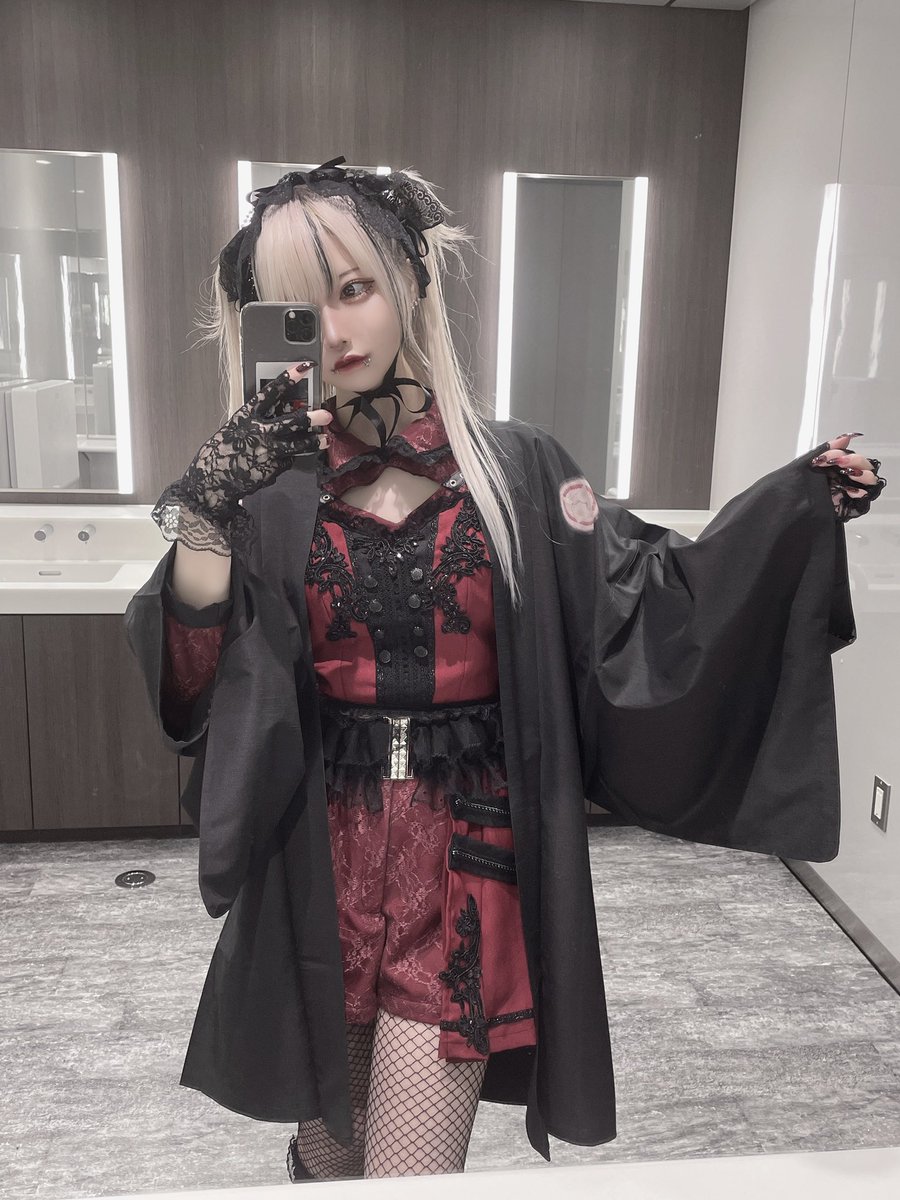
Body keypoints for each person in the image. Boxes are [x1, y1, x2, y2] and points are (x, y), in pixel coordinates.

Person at [124, 157, 886, 1181]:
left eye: (354, 288)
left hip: (463, 863)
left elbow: (647, 598)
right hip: (316, 862)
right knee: (329, 1162)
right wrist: (209, 508)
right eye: (300, 309)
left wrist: (792, 511)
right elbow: (192, 680)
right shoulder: (269, 492)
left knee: (409, 1176)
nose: (337, 331)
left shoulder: (516, 471)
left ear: (409, 282)